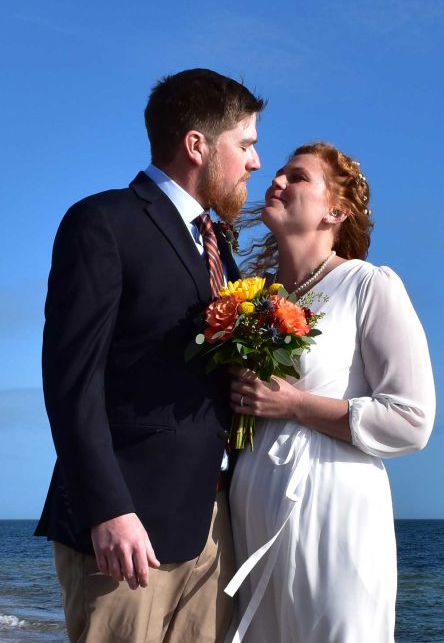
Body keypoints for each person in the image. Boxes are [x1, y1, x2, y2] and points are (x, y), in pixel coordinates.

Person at [35, 68, 264, 642]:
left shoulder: (219, 250)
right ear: (197, 146)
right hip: (124, 531)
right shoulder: (104, 223)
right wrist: (108, 508)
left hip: (214, 526)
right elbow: (72, 382)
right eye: (245, 144)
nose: (254, 163)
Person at [225, 142, 435, 642]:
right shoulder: (253, 297)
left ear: (335, 210)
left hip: (333, 506)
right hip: (251, 506)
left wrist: (292, 403)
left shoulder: (369, 285)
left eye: (296, 177)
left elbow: (412, 420)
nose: (276, 181)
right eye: (276, 173)